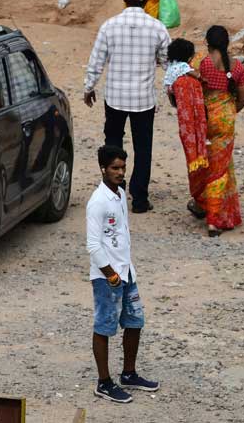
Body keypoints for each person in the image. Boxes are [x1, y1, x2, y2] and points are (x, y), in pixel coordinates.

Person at [83, 0, 170, 214]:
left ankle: (114, 193)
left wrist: (88, 88)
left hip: (115, 98)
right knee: (143, 147)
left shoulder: (109, 27)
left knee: (113, 143)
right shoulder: (157, 28)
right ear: (147, 1)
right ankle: (139, 198)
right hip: (143, 100)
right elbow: (167, 62)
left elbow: (96, 61)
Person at [86, 145, 159, 404]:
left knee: (135, 321)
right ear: (103, 169)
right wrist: (111, 275)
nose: (120, 172)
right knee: (104, 326)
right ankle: (104, 382)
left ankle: (129, 374)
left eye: (123, 167)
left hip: (127, 271)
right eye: (115, 168)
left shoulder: (118, 194)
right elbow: (93, 245)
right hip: (108, 276)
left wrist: (125, 272)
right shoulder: (98, 202)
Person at [194, 26, 244, 235]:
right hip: (225, 119)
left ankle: (206, 211)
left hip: (204, 118)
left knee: (202, 162)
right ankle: (215, 217)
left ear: (208, 42)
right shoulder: (236, 67)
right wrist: (231, 110)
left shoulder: (200, 63)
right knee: (221, 168)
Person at [163, 39, 210, 225]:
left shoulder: (171, 74)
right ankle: (206, 200)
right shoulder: (187, 72)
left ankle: (199, 198)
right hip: (201, 125)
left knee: (192, 160)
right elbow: (199, 77)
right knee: (206, 159)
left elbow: (172, 101)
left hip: (186, 127)